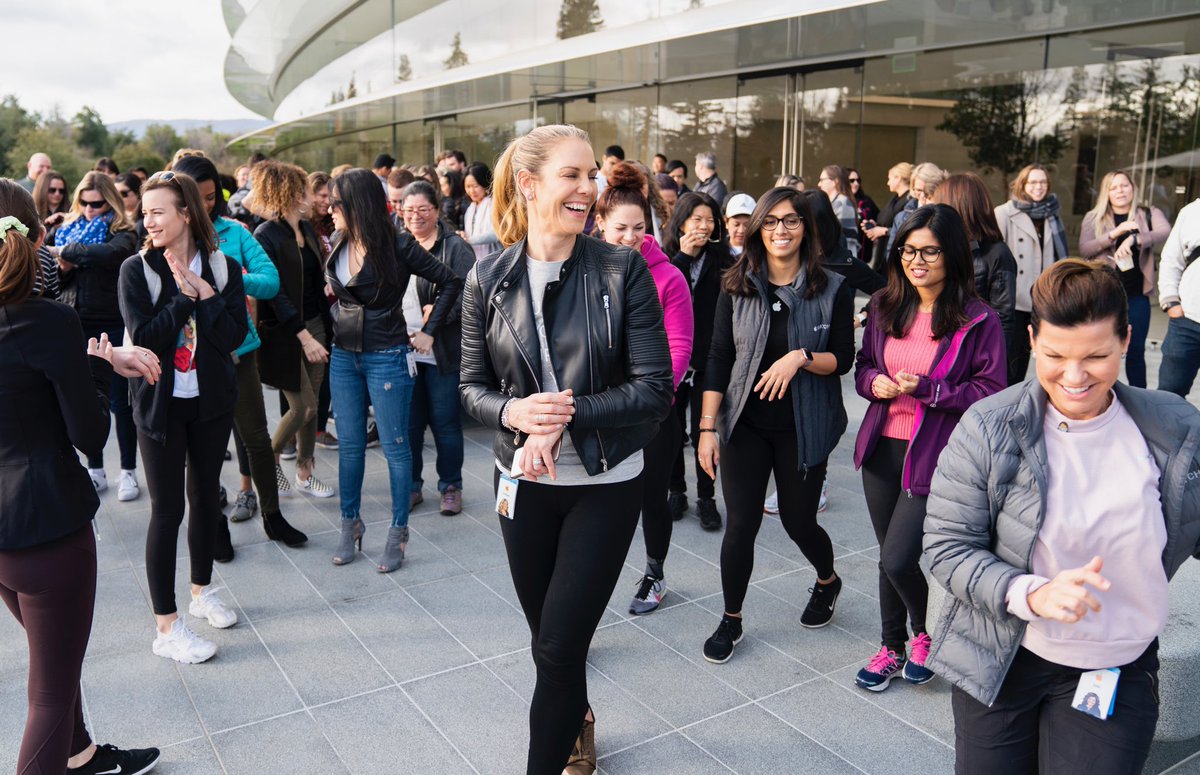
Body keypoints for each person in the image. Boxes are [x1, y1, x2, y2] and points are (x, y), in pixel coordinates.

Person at [924, 258, 1200, 774]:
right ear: (1031, 339)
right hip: (1000, 651)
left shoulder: (1174, 428)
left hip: (1114, 662)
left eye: (1096, 356)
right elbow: (945, 545)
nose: (1073, 378)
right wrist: (1032, 592)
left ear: (1127, 339)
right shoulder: (989, 426)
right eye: (1054, 355)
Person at [459, 123, 673, 775]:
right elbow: (468, 392)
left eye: (592, 175)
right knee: (549, 640)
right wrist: (516, 411)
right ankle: (578, 721)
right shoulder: (487, 278)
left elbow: (654, 389)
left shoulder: (622, 268)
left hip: (604, 483)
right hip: (519, 484)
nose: (590, 187)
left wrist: (565, 413)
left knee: (556, 647)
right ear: (529, 185)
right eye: (573, 175)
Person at [0, 179, 163, 775]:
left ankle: (81, 754)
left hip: (5, 536)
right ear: (42, 237)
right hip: (47, 526)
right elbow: (90, 435)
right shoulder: (46, 321)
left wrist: (94, 355)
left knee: (55, 665)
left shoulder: (41, 325)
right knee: (48, 691)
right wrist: (101, 371)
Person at [697, 186, 855, 663]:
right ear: (757, 229)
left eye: (790, 221)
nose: (780, 230)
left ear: (805, 227)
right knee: (740, 525)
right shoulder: (736, 284)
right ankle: (731, 619)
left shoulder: (832, 287)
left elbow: (843, 359)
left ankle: (827, 580)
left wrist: (801, 357)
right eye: (770, 222)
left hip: (803, 426)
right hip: (745, 424)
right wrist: (707, 429)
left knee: (797, 520)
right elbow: (719, 357)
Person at [852, 203, 1005, 691]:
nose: (916, 261)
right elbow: (863, 366)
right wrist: (874, 382)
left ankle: (923, 634)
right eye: (907, 250)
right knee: (886, 555)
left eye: (929, 252)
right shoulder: (882, 305)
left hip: (936, 455)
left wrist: (931, 390)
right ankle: (889, 647)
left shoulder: (977, 319)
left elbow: (990, 391)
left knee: (898, 558)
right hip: (882, 448)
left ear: (952, 254)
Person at [119, 171, 249, 664]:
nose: (148, 220)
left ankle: (201, 593)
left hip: (211, 401)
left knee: (205, 498)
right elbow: (146, 336)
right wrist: (183, 297)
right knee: (167, 509)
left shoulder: (223, 266)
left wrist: (208, 294)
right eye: (145, 212)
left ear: (186, 213)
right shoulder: (137, 269)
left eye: (158, 211)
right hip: (159, 405)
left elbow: (234, 335)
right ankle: (166, 627)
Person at [326, 169, 462, 572]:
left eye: (337, 203)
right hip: (343, 354)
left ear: (357, 205)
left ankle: (398, 532)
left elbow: (452, 282)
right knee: (350, 448)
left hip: (386, 354)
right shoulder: (338, 241)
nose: (330, 210)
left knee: (396, 448)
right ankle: (350, 524)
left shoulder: (399, 245)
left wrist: (430, 331)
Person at [171, 155, 307, 548]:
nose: (206, 205)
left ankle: (273, 515)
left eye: (212, 197)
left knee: (256, 439)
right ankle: (214, 523)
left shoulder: (235, 232)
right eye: (197, 198)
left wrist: (227, 276)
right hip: (191, 357)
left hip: (238, 349)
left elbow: (269, 282)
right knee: (203, 445)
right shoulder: (171, 237)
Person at [594, 161, 693, 616]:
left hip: (652, 412)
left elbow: (679, 346)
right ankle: (589, 578)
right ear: (600, 224)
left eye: (639, 227)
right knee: (600, 502)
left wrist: (645, 399)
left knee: (651, 499)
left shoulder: (668, 277)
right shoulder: (584, 268)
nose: (631, 237)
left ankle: (655, 571)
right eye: (620, 228)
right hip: (597, 408)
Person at [48, 171, 141, 500]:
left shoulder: (123, 231)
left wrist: (68, 253)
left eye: (97, 203)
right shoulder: (66, 228)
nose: (89, 209)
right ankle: (95, 469)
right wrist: (63, 265)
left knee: (120, 403)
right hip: (76, 323)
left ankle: (128, 471)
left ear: (109, 200)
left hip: (113, 323)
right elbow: (58, 278)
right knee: (87, 399)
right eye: (84, 203)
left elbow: (111, 255)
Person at [250, 160, 336, 499]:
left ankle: (304, 473)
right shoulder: (265, 234)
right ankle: (269, 459)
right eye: (304, 191)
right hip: (285, 331)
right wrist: (304, 335)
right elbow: (274, 294)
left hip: (316, 323)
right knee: (303, 408)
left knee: (313, 406)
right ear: (287, 194)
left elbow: (315, 282)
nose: (311, 197)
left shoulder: (308, 229)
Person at [399, 179, 476, 515]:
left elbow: (473, 297)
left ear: (437, 210)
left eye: (423, 210)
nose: (416, 217)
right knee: (410, 424)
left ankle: (451, 486)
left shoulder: (455, 248)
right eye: (409, 210)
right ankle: (412, 486)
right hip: (404, 350)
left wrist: (439, 316)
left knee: (445, 422)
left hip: (442, 350)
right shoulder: (397, 244)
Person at [664, 191, 734, 531]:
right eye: (697, 220)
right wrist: (682, 256)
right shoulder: (667, 258)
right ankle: (676, 489)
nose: (704, 227)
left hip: (709, 360)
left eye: (709, 220)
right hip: (672, 363)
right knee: (674, 431)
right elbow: (656, 295)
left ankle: (707, 497)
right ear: (682, 223)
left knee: (705, 430)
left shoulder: (726, 262)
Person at [1079, 170, 1170, 389]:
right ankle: (1097, 394)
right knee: (1099, 350)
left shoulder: (1148, 213)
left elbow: (1165, 231)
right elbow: (1085, 249)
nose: (1120, 191)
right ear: (1106, 192)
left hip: (1137, 296)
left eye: (1124, 186)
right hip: (1103, 296)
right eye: (1113, 187)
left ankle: (1139, 400)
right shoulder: (1094, 217)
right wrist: (1114, 233)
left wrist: (1135, 239)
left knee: (1136, 352)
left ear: (1133, 188)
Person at [995, 164, 1068, 385]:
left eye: (1043, 182)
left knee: (1034, 357)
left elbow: (1058, 256)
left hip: (1043, 297)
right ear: (1022, 184)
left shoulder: (1052, 214)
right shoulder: (1005, 213)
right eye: (1033, 182)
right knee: (1010, 360)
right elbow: (997, 256)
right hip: (1014, 299)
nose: (1039, 187)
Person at [932, 172, 1018, 345]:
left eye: (940, 203)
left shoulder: (996, 253)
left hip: (972, 352)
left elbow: (1003, 319)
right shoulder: (941, 246)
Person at [1157, 196, 1200, 397]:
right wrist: (1171, 302)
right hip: (1187, 321)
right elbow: (1170, 260)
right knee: (1170, 394)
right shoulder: (1192, 212)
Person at [885, 162, 944, 259]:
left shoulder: (948, 215)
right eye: (919, 190)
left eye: (928, 191)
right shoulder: (901, 217)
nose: (922, 196)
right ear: (912, 188)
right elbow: (891, 254)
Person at [865, 162, 913, 273]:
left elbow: (906, 229)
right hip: (883, 252)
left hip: (893, 254)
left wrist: (883, 231)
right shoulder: (895, 199)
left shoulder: (909, 202)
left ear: (898, 178)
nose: (888, 183)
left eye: (890, 178)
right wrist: (874, 227)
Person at [818, 164, 860, 259]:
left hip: (842, 259)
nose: (819, 184)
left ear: (835, 182)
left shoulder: (841, 202)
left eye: (822, 180)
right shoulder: (836, 202)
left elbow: (838, 237)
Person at [461, 162, 501, 259]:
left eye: (475, 186)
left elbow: (497, 234)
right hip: (475, 259)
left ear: (485, 183)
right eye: (468, 187)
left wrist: (469, 240)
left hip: (494, 258)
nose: (472, 191)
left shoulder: (494, 204)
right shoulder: (470, 209)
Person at [848, 167, 879, 253]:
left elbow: (878, 217)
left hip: (865, 253)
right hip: (847, 252)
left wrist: (874, 225)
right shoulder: (840, 201)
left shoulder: (866, 200)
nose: (856, 183)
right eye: (852, 180)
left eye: (858, 180)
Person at [724, 192, 755, 257]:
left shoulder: (760, 253)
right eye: (736, 224)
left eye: (746, 225)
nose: (741, 230)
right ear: (726, 223)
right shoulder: (716, 251)